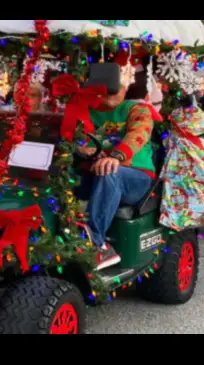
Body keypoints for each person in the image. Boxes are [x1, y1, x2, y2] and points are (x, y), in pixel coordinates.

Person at [75, 66, 156, 270]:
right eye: (106, 87)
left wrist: (116, 156)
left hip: (135, 177)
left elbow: (138, 134)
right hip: (93, 174)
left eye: (116, 87)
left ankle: (97, 243)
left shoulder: (136, 109)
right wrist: (78, 149)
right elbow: (74, 139)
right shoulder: (84, 112)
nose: (111, 93)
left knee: (110, 171)